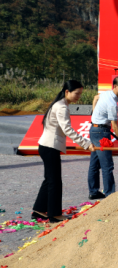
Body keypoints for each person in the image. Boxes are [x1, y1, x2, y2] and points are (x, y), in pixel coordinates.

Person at [33, 81, 95, 222]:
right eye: (77, 93)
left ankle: (39, 209)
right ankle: (54, 214)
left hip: (46, 146)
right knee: (55, 182)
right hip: (50, 147)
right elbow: (67, 130)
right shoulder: (61, 107)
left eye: (80, 94)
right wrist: (86, 144)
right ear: (67, 91)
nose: (79, 96)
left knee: (49, 179)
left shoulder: (59, 104)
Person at [88, 76, 118, 199]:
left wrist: (94, 115)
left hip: (94, 129)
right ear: (115, 86)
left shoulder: (106, 94)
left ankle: (93, 192)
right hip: (101, 133)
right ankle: (110, 194)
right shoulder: (112, 104)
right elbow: (115, 127)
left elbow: (95, 98)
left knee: (95, 163)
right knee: (107, 165)